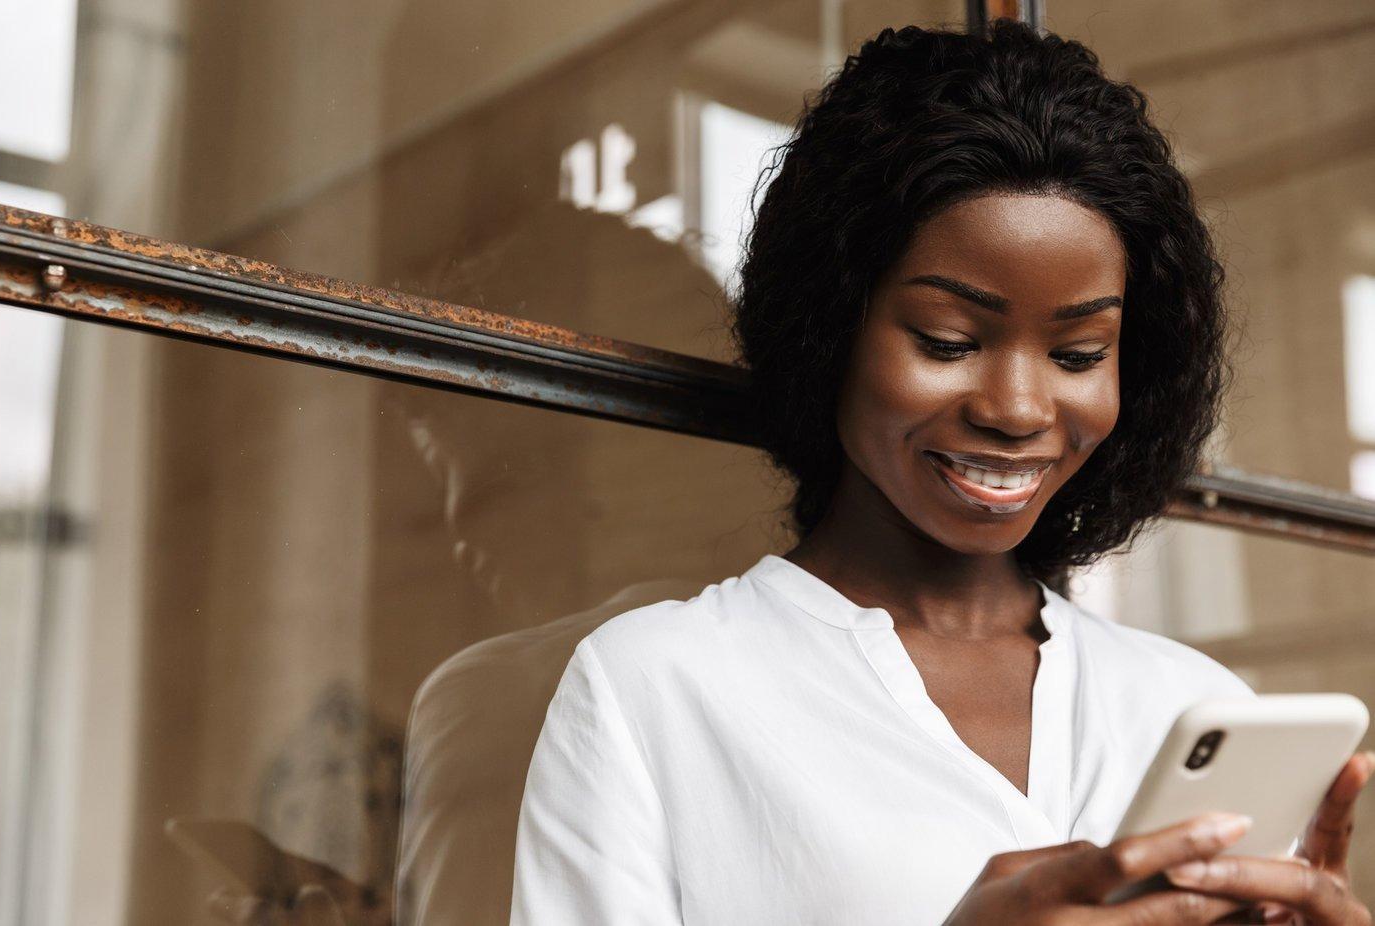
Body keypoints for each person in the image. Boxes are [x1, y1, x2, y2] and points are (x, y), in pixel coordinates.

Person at [509, 20, 1374, 926]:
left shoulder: (1191, 704)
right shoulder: (654, 688)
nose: (1017, 408)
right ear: (831, 324)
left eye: (1079, 354)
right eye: (948, 341)